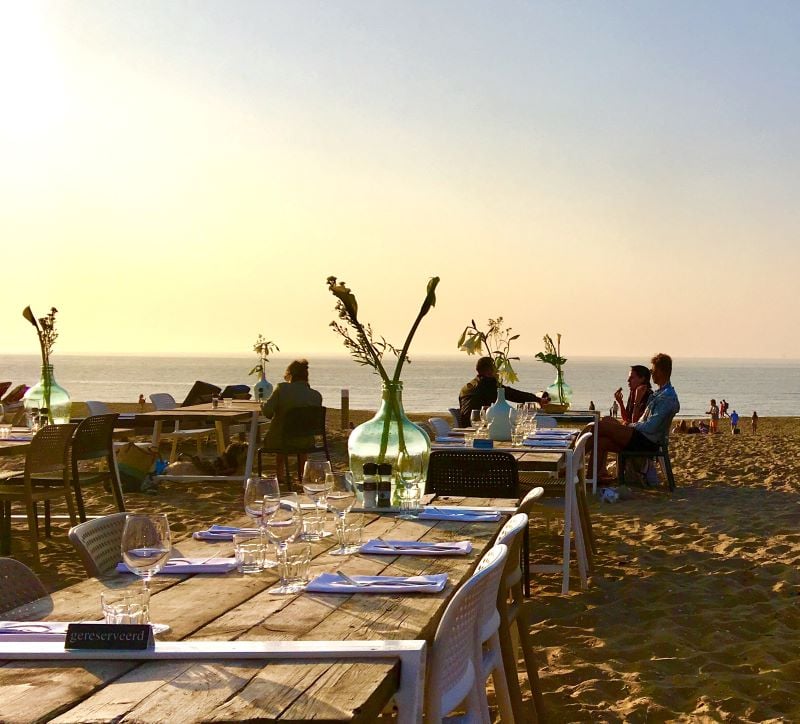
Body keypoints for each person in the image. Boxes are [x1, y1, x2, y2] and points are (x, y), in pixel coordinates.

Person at [591, 353, 680, 483]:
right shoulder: (659, 394)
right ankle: (590, 479)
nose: (651, 374)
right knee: (601, 441)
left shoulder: (667, 397)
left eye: (652, 370)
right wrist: (631, 423)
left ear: (660, 371)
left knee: (600, 426)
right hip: (642, 437)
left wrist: (630, 425)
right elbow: (642, 421)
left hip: (647, 442)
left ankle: (571, 459)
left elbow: (650, 426)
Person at [261, 359, 323, 483]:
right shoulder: (316, 395)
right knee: (300, 431)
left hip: (282, 441)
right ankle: (302, 474)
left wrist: (263, 404)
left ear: (291, 375)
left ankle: (280, 475)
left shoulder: (282, 389)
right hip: (307, 442)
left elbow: (268, 413)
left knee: (283, 430)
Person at [458, 356, 549, 427]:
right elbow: (513, 395)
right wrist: (538, 399)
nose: (497, 371)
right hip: (482, 426)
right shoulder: (489, 384)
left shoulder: (465, 388)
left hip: (465, 427)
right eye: (495, 368)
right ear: (490, 371)